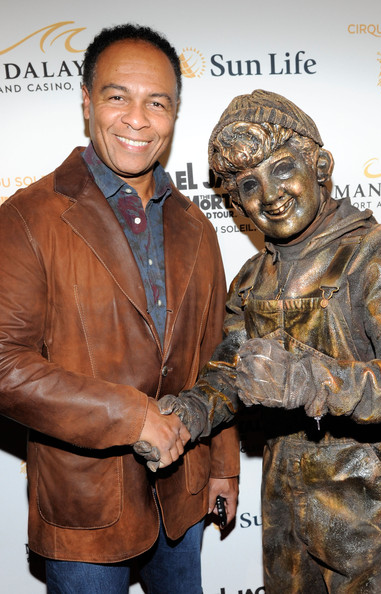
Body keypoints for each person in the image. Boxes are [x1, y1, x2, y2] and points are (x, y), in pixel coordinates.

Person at [155, 89, 381, 593]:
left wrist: (314, 382)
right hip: (284, 509)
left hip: (367, 514)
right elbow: (229, 373)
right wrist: (192, 411)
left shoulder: (370, 252)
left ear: (320, 165)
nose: (269, 194)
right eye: (248, 184)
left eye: (282, 168)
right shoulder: (251, 279)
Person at [0, 24, 239, 594]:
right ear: (87, 102)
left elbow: (219, 357)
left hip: (183, 497)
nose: (138, 119)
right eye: (118, 97)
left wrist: (223, 464)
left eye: (157, 103)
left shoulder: (198, 226)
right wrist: (132, 418)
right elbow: (4, 363)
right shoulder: (28, 217)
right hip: (84, 508)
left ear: (174, 115)